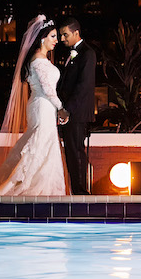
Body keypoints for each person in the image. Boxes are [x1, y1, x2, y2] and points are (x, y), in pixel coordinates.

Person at [0, 15, 69, 196]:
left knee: (45, 145)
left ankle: (48, 190)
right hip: (42, 107)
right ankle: (26, 187)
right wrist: (61, 108)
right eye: (53, 36)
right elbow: (47, 89)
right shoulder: (38, 61)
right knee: (38, 145)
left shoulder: (42, 60)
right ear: (42, 38)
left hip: (45, 108)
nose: (56, 41)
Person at [57, 17, 96, 195]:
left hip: (77, 113)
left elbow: (83, 86)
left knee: (76, 152)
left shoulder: (88, 54)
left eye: (65, 35)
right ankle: (76, 191)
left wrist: (67, 110)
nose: (62, 39)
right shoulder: (72, 53)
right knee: (71, 153)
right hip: (70, 112)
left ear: (76, 32)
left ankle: (81, 193)